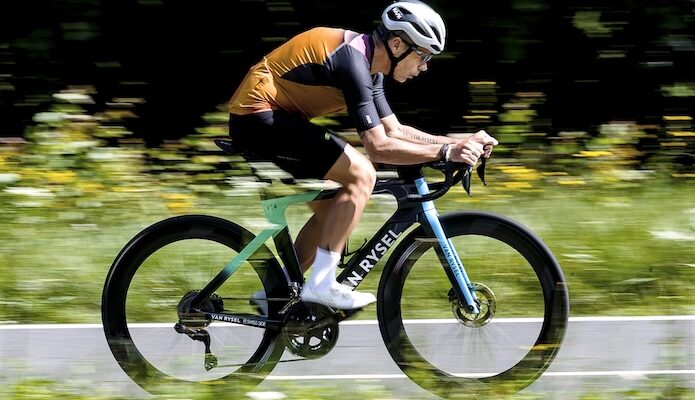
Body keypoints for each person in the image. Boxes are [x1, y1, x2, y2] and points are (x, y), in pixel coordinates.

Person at [227, 0, 498, 311]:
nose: (424, 67)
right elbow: (378, 146)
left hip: (274, 118)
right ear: (397, 45)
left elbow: (395, 130)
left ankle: (276, 297)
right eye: (423, 56)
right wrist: (447, 151)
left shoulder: (371, 69)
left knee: (336, 208)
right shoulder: (353, 63)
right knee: (362, 173)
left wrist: (459, 143)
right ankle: (322, 284)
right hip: (257, 116)